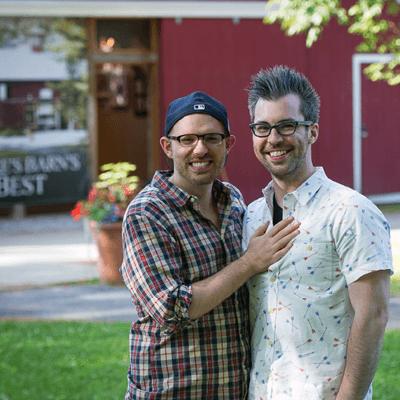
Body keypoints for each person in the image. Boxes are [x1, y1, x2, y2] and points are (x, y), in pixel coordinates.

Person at [120, 91, 300, 399]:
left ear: (228, 144)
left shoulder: (232, 201)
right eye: (187, 139)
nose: (200, 149)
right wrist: (249, 263)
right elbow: (171, 308)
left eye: (211, 138)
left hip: (234, 388)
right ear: (168, 146)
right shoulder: (147, 212)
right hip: (173, 391)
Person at [242, 65, 393, 400]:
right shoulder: (251, 217)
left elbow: (374, 315)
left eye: (287, 126)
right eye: (263, 128)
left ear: (312, 132)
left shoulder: (352, 212)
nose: (274, 139)